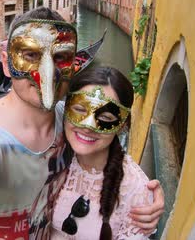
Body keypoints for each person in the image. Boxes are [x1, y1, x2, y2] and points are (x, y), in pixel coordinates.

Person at [0, 8, 163, 240]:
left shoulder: (73, 119)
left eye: (60, 57)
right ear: (7, 64)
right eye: (30, 55)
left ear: (74, 65)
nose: (46, 73)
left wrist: (143, 193)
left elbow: (106, 142)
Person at [50, 67, 154, 239]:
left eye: (105, 118)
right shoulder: (52, 154)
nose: (88, 126)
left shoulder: (136, 190)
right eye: (80, 109)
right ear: (66, 107)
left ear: (121, 125)